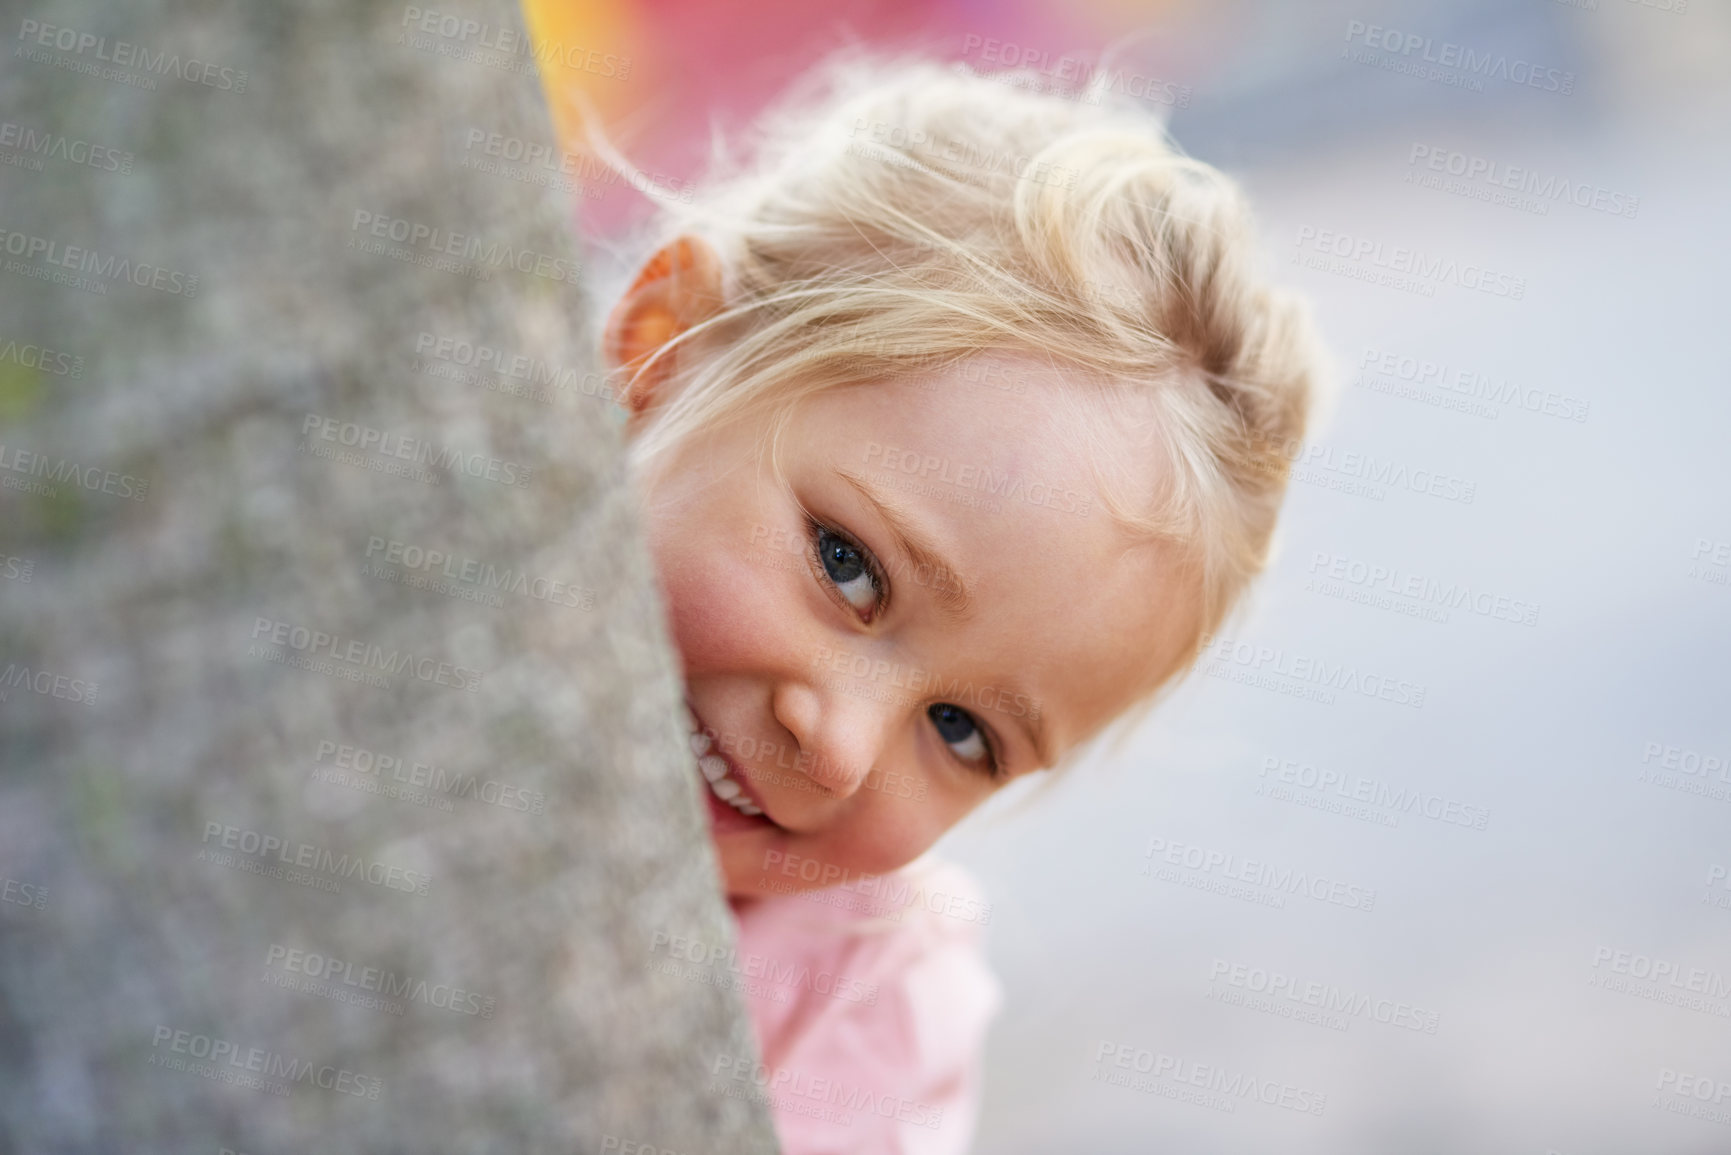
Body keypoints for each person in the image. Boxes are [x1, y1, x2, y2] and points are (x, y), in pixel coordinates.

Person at [594, 55, 1326, 1154]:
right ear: (668, 350)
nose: (836, 749)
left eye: (962, 731)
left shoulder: (872, 1006)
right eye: (849, 568)